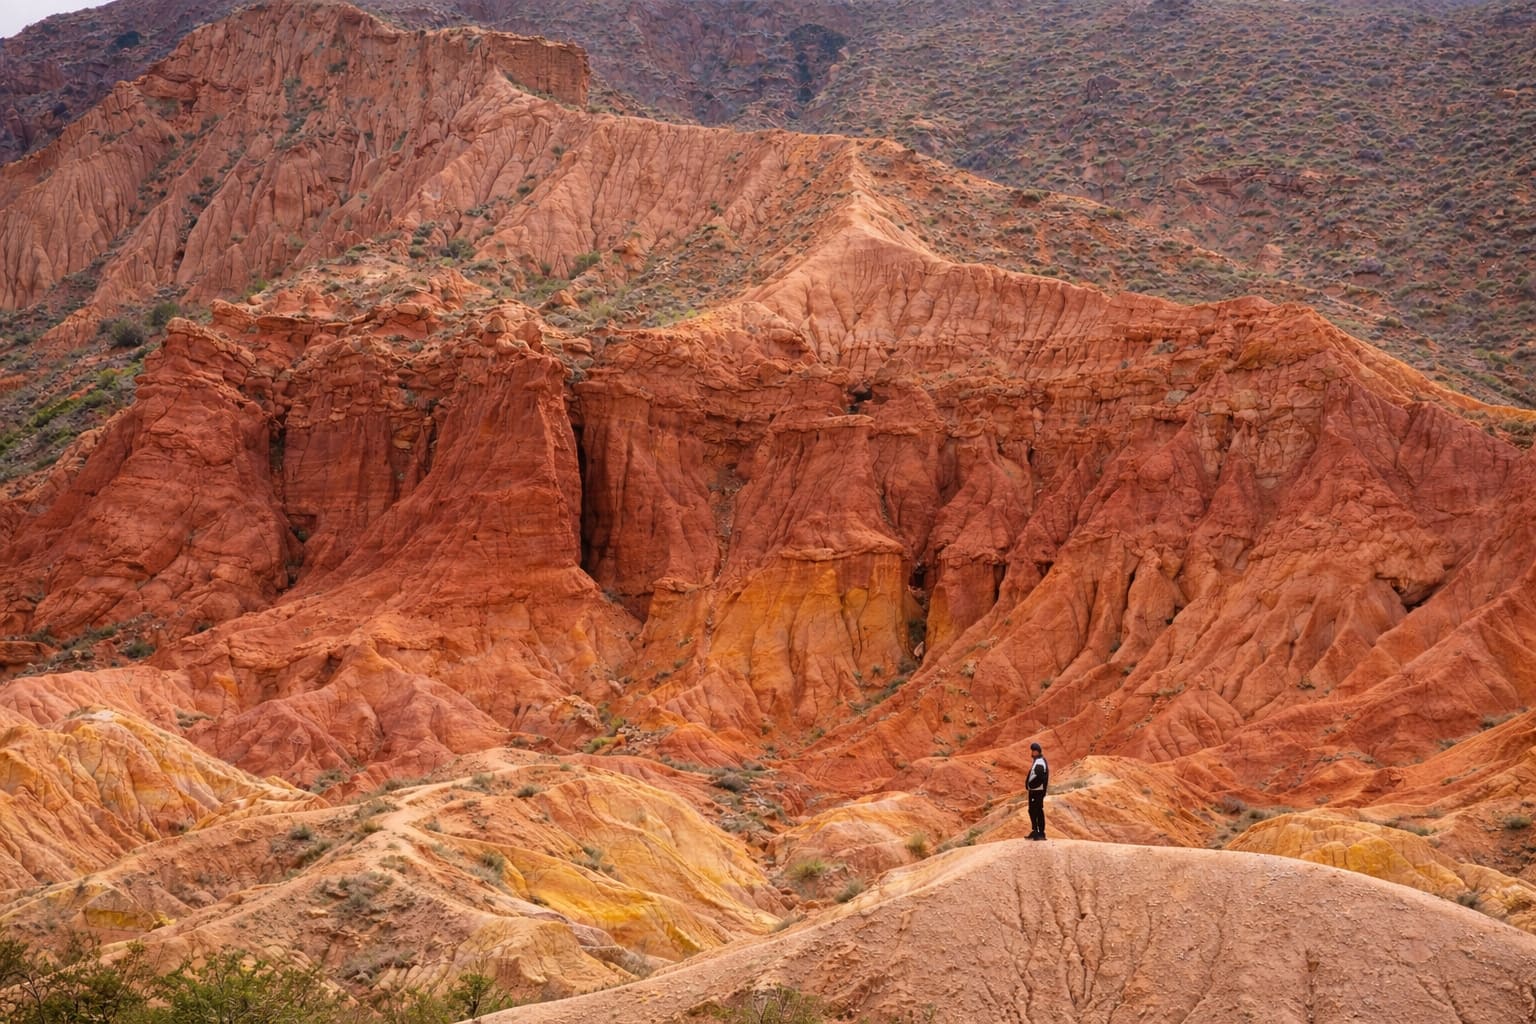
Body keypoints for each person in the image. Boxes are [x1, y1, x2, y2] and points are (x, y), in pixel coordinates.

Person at [1026, 741, 1049, 840]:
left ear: (1037, 752)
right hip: (1035, 791)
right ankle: (1035, 831)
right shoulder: (1038, 760)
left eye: (1033, 751)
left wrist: (1031, 785)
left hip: (1037, 791)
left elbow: (1040, 777)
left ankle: (1041, 833)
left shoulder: (1040, 762)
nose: (1032, 753)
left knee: (1038, 810)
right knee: (1032, 810)